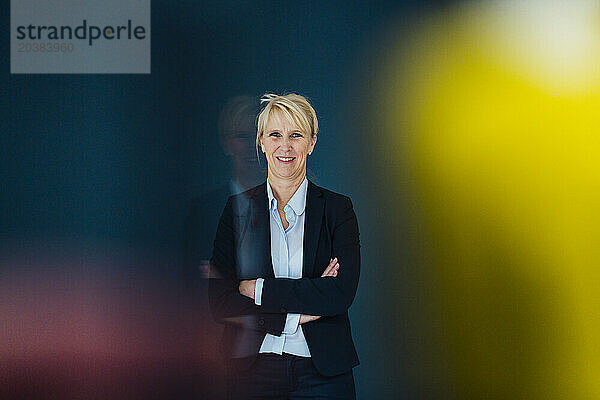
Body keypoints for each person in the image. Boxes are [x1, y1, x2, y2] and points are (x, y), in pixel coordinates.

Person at [209, 93, 360, 399]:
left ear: (312, 142)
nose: (285, 146)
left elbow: (339, 294)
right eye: (275, 135)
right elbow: (221, 300)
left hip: (324, 373)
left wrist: (258, 289)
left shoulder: (338, 209)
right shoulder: (236, 209)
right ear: (262, 142)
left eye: (296, 135)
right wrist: (298, 312)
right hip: (250, 370)